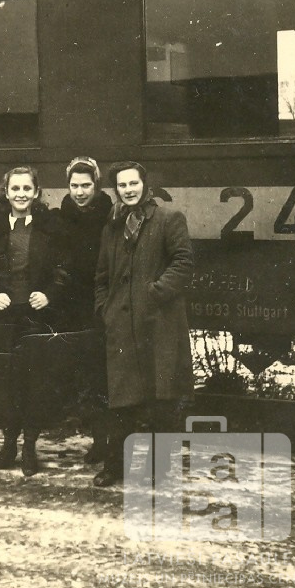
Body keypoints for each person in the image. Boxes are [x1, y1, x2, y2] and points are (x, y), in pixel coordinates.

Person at [93, 161, 194, 486]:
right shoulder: (112, 226)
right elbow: (102, 276)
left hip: (158, 324)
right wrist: (105, 309)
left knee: (161, 400)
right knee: (121, 400)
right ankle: (115, 466)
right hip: (121, 326)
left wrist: (154, 293)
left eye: (133, 183)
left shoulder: (168, 219)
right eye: (122, 185)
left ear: (144, 184)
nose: (128, 190)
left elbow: (183, 262)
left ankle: (160, 469)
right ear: (116, 189)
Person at [0, 166, 68, 477]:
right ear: (6, 192)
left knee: (34, 382)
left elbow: (63, 269)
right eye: (15, 189)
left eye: (27, 189)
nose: (21, 194)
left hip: (35, 316)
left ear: (36, 192)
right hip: (4, 317)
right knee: (5, 382)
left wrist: (49, 295)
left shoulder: (50, 227)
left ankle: (29, 447)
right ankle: (8, 446)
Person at [59, 156, 112, 463]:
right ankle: (96, 438)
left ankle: (107, 441)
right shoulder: (60, 216)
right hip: (72, 305)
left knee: (103, 373)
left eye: (86, 185)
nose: (80, 192)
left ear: (96, 185)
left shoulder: (111, 215)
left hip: (102, 302)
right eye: (74, 185)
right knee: (85, 374)